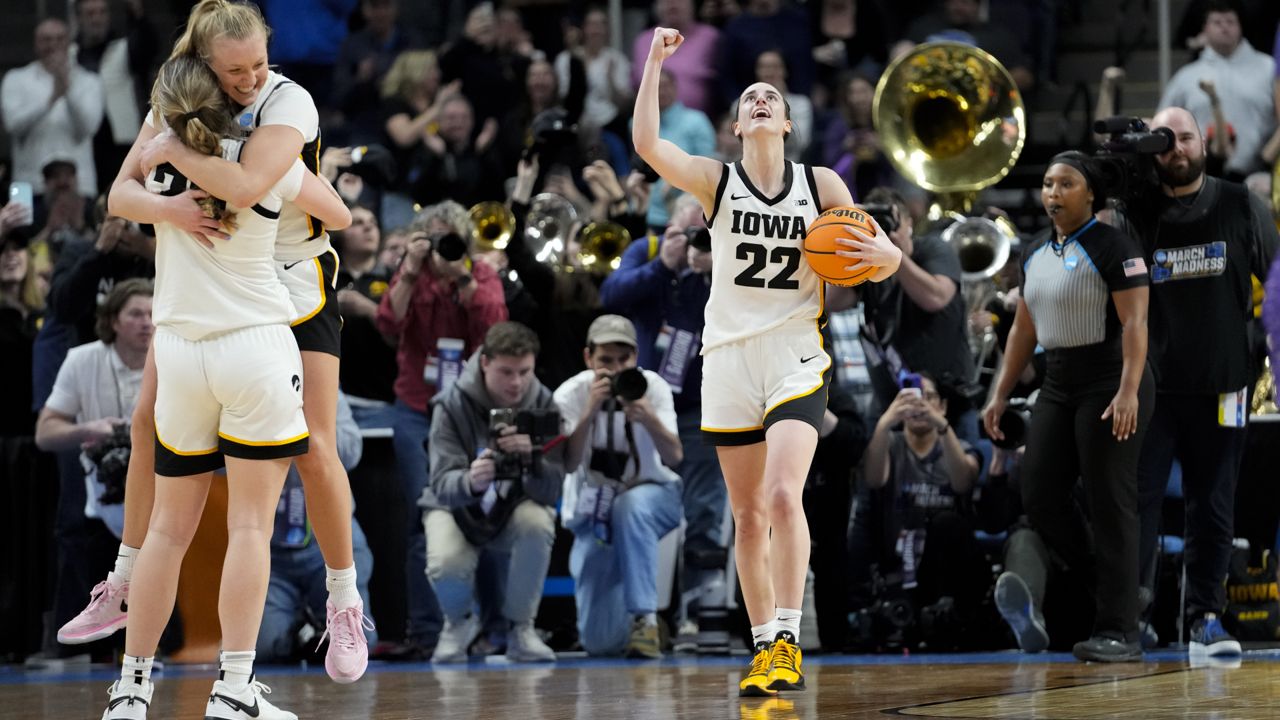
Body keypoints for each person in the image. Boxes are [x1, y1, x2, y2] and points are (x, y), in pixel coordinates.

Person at [72, 0, 372, 687]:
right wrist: (167, 205)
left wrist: (171, 156)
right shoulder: (179, 99)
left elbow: (246, 186)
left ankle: (344, 600)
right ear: (205, 64)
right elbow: (120, 195)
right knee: (146, 421)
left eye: (259, 64)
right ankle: (123, 581)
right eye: (236, 70)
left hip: (292, 277)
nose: (250, 78)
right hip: (217, 294)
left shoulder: (287, 101)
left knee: (316, 446)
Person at [634, 27, 901, 696]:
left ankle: (787, 636)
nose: (758, 100)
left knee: (785, 494)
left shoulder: (822, 182)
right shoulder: (715, 183)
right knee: (747, 516)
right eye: (748, 95)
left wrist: (891, 259)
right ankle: (763, 648)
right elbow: (646, 145)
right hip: (726, 360)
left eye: (770, 97)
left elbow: (880, 251)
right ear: (735, 123)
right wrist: (654, 66)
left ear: (785, 122)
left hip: (794, 355)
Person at [981, 151, 1154, 662]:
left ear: (1091, 194)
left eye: (1066, 184)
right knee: (1038, 492)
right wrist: (999, 392)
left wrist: (1128, 390)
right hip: (1059, 379)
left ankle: (1120, 631)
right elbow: (1023, 329)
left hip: (1111, 377)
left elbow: (1137, 326)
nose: (1053, 193)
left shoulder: (1115, 247)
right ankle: (1118, 586)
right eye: (1049, 184)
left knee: (1109, 499)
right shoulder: (1035, 249)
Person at [1132, 107, 1278, 658]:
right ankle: (1135, 617)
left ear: (1204, 142)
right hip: (1154, 387)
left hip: (1226, 386)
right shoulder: (1138, 211)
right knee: (1140, 502)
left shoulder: (1241, 203)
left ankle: (1205, 619)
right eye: (1164, 142)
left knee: (1213, 505)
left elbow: (1279, 284)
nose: (1175, 150)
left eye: (1184, 138)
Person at [423, 321, 565, 664]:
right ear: (484, 362)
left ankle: (521, 629)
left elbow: (554, 488)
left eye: (524, 371)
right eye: (506, 372)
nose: (516, 383)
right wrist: (471, 480)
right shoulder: (452, 403)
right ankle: (458, 623)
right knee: (445, 561)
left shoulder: (545, 403)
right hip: (456, 505)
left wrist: (532, 458)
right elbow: (440, 483)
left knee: (539, 523)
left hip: (515, 505)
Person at [555, 315, 684, 658]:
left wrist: (647, 417)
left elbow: (674, 458)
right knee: (600, 643)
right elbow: (568, 463)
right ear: (588, 358)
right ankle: (643, 626)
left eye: (624, 360)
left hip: (653, 497)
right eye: (606, 361)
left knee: (630, 506)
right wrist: (589, 410)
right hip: (593, 509)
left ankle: (646, 620)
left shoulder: (651, 387)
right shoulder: (570, 393)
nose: (615, 369)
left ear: (636, 357)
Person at [35, 280, 151, 646]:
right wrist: (92, 429)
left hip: (157, 487)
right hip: (96, 491)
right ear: (113, 320)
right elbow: (45, 432)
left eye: (153, 314)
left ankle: (151, 642)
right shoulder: (83, 359)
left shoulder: (174, 359)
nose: (147, 322)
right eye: (135, 313)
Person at [863, 373, 982, 642]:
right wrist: (884, 424)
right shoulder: (889, 445)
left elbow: (963, 481)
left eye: (927, 397)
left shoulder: (959, 447)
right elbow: (872, 478)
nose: (919, 405)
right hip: (904, 567)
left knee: (945, 524)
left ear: (943, 406)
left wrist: (942, 426)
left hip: (954, 568)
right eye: (911, 397)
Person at [1157, 0, 1275, 179]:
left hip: (1260, 175)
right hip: (1203, 177)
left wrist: (1268, 161)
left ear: (1240, 26)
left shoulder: (1269, 69)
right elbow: (1163, 124)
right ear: (1205, 29)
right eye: (1217, 22)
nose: (1224, 28)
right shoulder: (1186, 77)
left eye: (1230, 22)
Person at [1, 17, 104, 197]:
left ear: (68, 43)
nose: (53, 45)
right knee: (20, 225)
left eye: (59, 39)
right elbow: (13, 125)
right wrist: (51, 100)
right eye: (46, 39)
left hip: (80, 186)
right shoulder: (15, 78)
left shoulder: (90, 81)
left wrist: (67, 92)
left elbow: (89, 127)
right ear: (36, 44)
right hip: (25, 187)